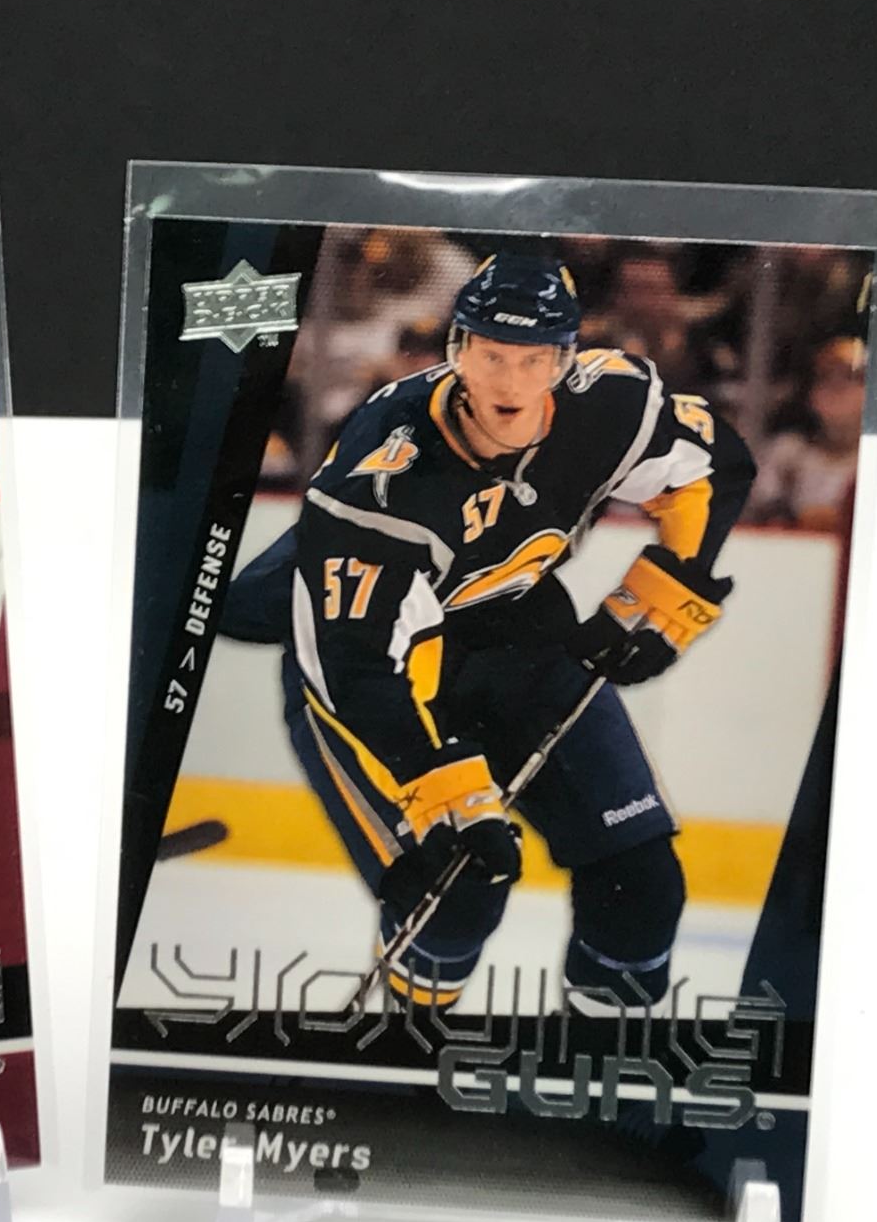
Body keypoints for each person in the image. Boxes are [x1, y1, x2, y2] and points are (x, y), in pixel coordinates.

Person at [221, 254, 755, 1012]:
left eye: (534, 359)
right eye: (493, 355)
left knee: (642, 887)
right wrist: (443, 790)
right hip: (370, 673)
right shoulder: (386, 473)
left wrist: (663, 595)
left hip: (520, 633)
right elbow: (355, 663)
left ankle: (599, 1066)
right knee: (455, 897)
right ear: (457, 351)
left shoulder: (611, 403)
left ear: (565, 360)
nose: (510, 382)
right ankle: (411, 1050)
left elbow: (711, 466)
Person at [746, 336, 866, 532]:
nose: (836, 389)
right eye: (825, 378)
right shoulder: (786, 454)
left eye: (851, 378)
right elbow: (756, 517)